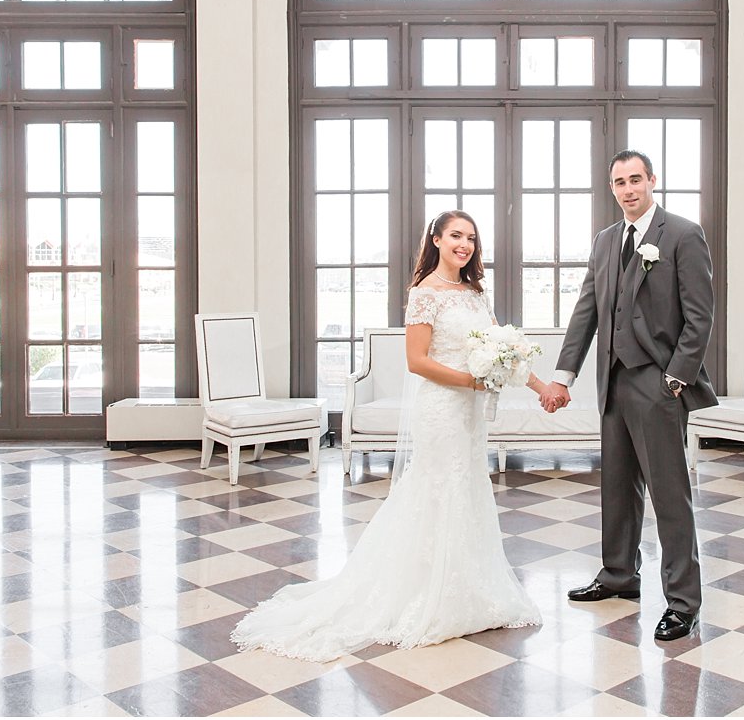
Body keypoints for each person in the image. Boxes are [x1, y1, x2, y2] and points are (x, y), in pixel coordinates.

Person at [231, 210, 562, 661]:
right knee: (438, 490)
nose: (464, 244)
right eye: (455, 236)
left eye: (470, 237)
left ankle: (468, 588)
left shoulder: (476, 293)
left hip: (469, 414)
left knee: (467, 490)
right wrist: (471, 382)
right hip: (442, 409)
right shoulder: (425, 294)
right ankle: (427, 594)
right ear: (437, 239)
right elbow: (417, 361)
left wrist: (543, 388)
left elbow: (505, 353)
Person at [546, 150, 717, 642]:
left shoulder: (682, 235)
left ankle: (683, 602)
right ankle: (619, 575)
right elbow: (586, 312)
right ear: (612, 187)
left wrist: (676, 379)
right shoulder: (605, 241)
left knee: (669, 496)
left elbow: (699, 316)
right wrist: (564, 374)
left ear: (652, 181)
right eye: (619, 182)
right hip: (613, 382)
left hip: (658, 382)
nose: (628, 189)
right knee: (617, 487)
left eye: (635, 179)